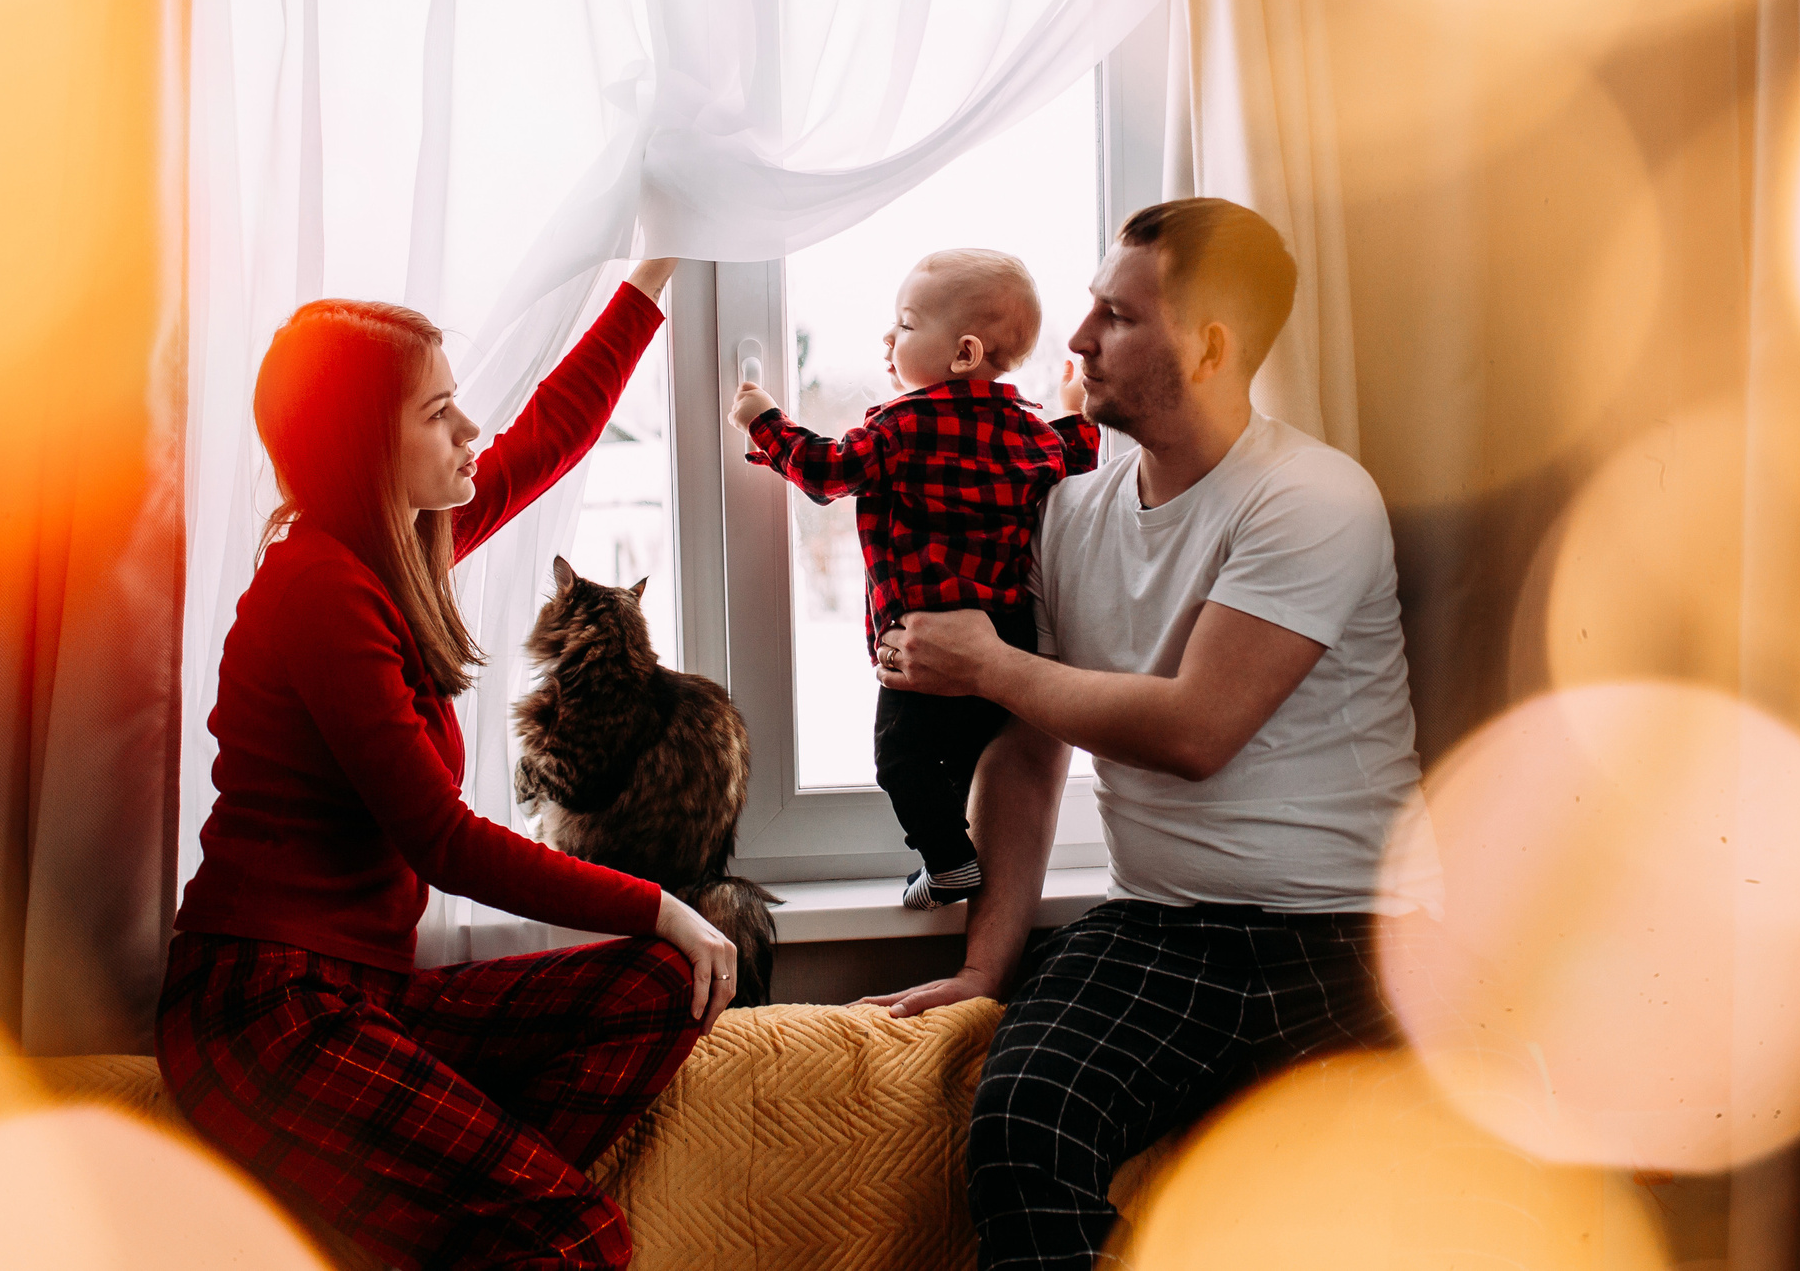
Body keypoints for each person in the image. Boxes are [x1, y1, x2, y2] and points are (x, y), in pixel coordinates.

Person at [866, 200, 1440, 1271]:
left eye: (1116, 317)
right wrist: (986, 964)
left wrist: (989, 664)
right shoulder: (1064, 514)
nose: (1077, 340)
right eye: (1089, 309)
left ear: (1210, 347)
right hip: (1160, 927)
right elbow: (1030, 751)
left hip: (1350, 933)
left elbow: (1196, 729)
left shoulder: (1311, 498)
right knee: (1018, 1134)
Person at [156, 259, 738, 1271]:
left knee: (655, 983)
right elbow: (441, 839)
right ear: (364, 444)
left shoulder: (396, 552)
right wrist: (657, 899)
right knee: (574, 1236)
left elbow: (549, 435)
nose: (469, 433)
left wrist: (653, 272)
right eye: (439, 414)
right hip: (263, 1010)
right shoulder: (320, 588)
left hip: (364, 997)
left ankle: (441, 1236)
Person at [728, 249, 1100, 911]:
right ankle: (953, 854)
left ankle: (950, 862)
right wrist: (1075, 409)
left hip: (926, 637)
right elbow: (1076, 458)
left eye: (903, 323)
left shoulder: (898, 428)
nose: (887, 338)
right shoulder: (1032, 432)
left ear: (962, 352)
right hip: (1005, 639)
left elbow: (825, 471)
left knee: (902, 761)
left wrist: (763, 419)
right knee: (962, 762)